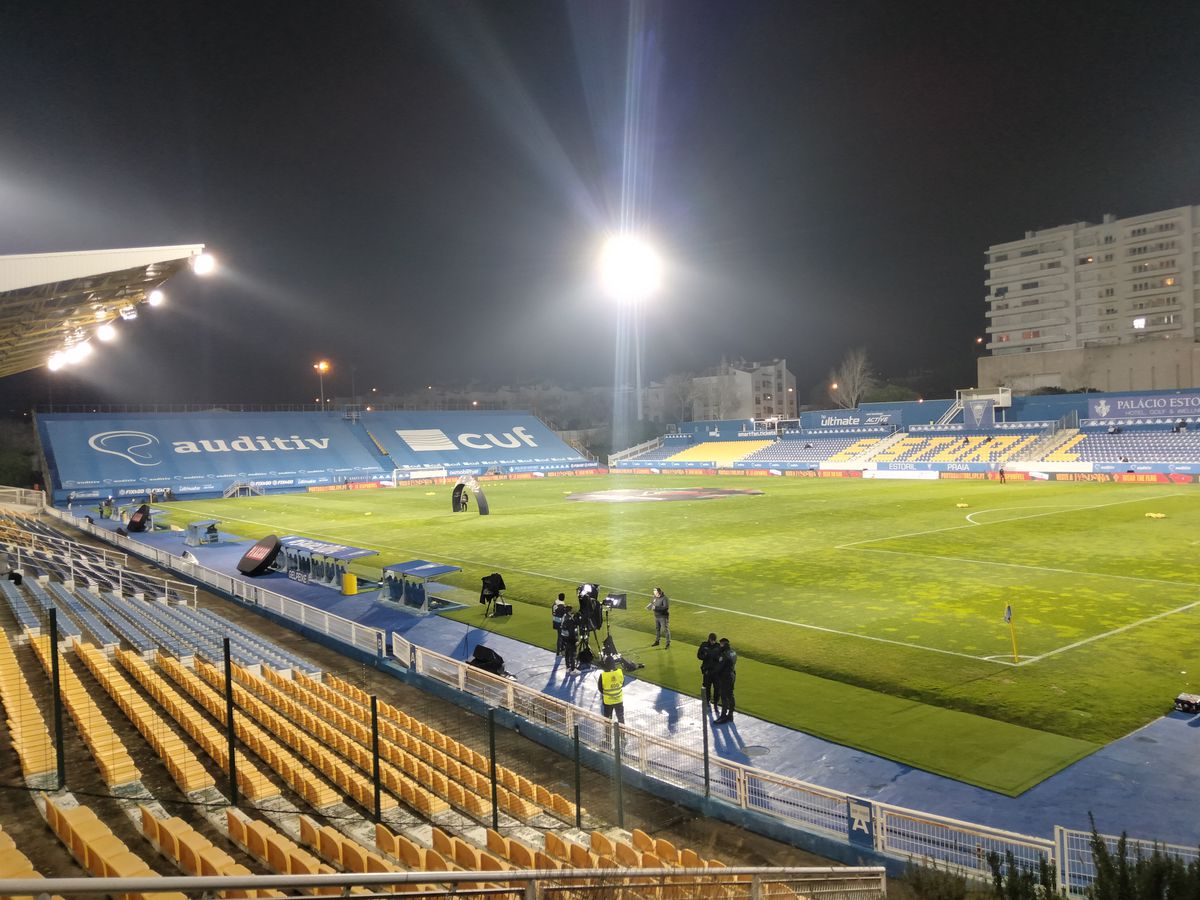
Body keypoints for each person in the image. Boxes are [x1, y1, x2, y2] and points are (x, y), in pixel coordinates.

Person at [713, 637, 737, 724]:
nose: (720, 646)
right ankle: (730, 714)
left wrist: (714, 671)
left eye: (721, 644)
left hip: (725, 677)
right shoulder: (733, 653)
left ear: (724, 644)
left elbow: (719, 667)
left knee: (724, 696)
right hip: (732, 675)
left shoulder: (725, 655)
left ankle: (723, 716)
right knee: (730, 694)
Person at [696, 632, 722, 707]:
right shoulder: (704, 645)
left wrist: (718, 659)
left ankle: (716, 701)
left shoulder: (718, 647)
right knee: (707, 686)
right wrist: (704, 656)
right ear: (709, 639)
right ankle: (707, 700)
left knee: (717, 687)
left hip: (716, 671)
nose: (713, 642)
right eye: (712, 640)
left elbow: (722, 658)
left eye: (714, 640)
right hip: (707, 670)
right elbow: (699, 655)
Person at [598, 655, 625, 724]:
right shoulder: (619, 672)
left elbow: (600, 688)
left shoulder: (603, 675)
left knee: (607, 720)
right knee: (621, 718)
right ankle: (622, 734)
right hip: (618, 699)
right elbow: (622, 684)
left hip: (608, 701)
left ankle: (607, 734)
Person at [559, 606, 580, 671]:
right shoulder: (570, 621)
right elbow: (572, 632)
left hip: (565, 639)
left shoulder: (565, 618)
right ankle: (573, 669)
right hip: (570, 640)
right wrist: (576, 641)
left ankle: (568, 667)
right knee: (572, 654)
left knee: (567, 653)